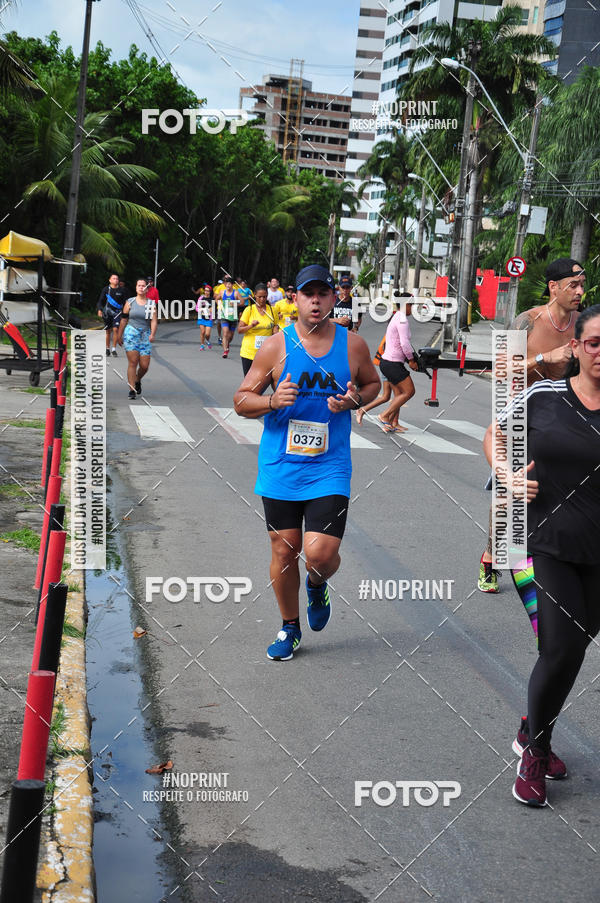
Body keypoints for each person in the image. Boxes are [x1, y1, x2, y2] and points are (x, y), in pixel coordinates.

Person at [483, 303, 600, 807]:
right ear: (576, 347)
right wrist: (508, 476)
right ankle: (534, 750)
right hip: (543, 542)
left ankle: (533, 725)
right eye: (594, 343)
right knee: (560, 647)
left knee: (571, 651)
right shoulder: (545, 397)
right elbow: (495, 437)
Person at [233, 264, 380, 661]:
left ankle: (317, 583)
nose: (315, 301)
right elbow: (241, 400)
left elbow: (373, 384)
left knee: (318, 554)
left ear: (334, 298)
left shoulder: (352, 346)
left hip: (329, 467)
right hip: (281, 467)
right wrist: (270, 401)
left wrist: (354, 400)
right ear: (294, 299)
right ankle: (289, 627)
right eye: (307, 294)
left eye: (323, 293)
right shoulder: (275, 346)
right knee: (284, 551)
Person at [478, 257, 585, 593]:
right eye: (573, 285)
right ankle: (491, 558)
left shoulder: (584, 324)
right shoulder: (528, 322)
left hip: (567, 419)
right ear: (554, 287)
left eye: (583, 285)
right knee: (510, 494)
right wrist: (545, 358)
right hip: (522, 418)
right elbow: (500, 370)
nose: (580, 291)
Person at [376, 296, 418, 432]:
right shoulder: (402, 320)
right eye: (411, 305)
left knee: (399, 393)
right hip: (392, 363)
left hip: (388, 362)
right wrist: (411, 360)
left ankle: (391, 423)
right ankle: (384, 415)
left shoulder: (397, 317)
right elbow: (405, 343)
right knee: (409, 391)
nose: (412, 308)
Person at [117, 279, 158, 399]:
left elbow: (154, 320)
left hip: (145, 334)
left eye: (143, 286)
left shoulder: (151, 304)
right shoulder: (130, 302)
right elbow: (124, 319)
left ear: (147, 288)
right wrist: (119, 335)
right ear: (136, 288)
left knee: (144, 366)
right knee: (133, 362)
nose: (141, 288)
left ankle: (137, 379)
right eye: (139, 285)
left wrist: (152, 334)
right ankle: (132, 389)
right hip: (131, 333)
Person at [237, 283, 278, 375]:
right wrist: (251, 325)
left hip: (266, 352)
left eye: (264, 296)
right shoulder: (249, 310)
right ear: (254, 295)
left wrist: (276, 334)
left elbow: (275, 326)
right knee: (249, 382)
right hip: (249, 352)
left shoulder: (272, 310)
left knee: (263, 381)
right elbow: (239, 330)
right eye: (259, 297)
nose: (262, 299)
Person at [97, 274, 128, 356]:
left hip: (117, 313)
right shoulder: (106, 289)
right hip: (107, 313)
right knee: (108, 331)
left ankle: (114, 349)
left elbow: (125, 303)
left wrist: (126, 313)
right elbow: (101, 300)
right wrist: (99, 309)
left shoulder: (122, 290)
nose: (116, 280)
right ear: (110, 280)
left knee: (115, 330)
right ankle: (107, 348)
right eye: (114, 278)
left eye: (117, 279)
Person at [218, 276, 239, 358]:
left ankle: (227, 344)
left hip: (233, 317)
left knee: (230, 337)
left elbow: (242, 302)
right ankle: (225, 351)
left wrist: (235, 303)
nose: (228, 285)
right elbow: (216, 299)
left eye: (229, 284)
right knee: (225, 333)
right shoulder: (222, 292)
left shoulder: (236, 293)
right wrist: (220, 306)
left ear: (232, 285)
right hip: (224, 316)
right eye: (226, 283)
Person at [197, 284, 213, 349]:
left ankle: (207, 340)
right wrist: (201, 310)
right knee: (203, 332)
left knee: (207, 334)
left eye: (208, 291)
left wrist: (212, 309)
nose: (206, 292)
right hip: (201, 317)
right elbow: (197, 307)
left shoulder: (212, 299)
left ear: (210, 292)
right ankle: (202, 344)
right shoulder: (201, 298)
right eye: (205, 291)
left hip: (209, 318)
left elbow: (214, 308)